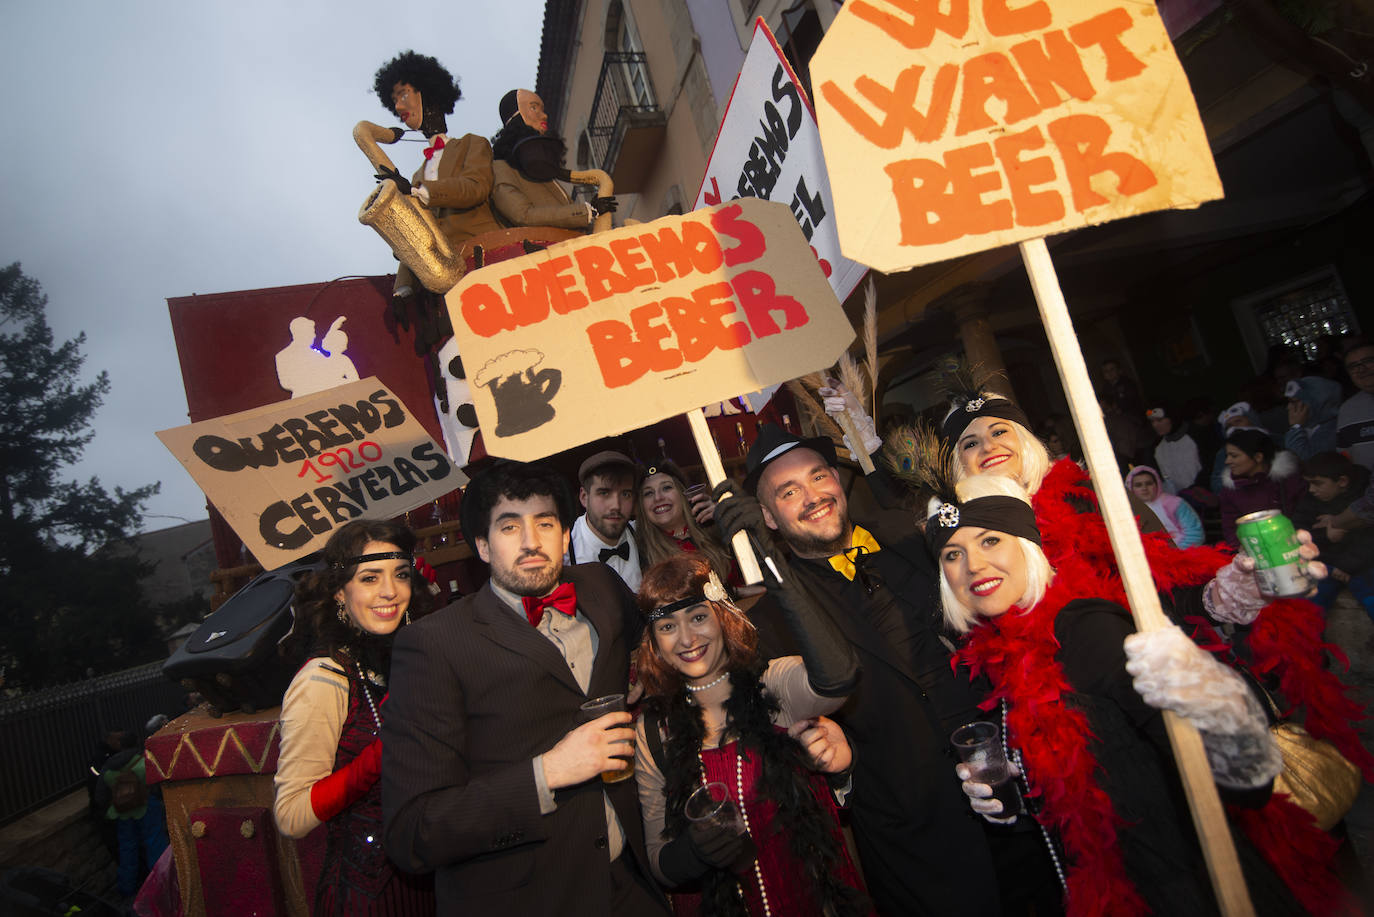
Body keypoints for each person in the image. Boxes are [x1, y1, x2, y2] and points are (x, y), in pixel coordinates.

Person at [934, 472, 1344, 916]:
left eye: (990, 541)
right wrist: (1018, 798)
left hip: (1190, 889)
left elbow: (1241, 784)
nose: (972, 564)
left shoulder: (1084, 628)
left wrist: (1222, 711)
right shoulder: (1004, 654)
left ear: (1029, 545)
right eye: (953, 554)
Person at [711, 424, 1042, 916]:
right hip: (915, 842)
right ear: (767, 518)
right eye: (788, 491)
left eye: (818, 476)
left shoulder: (922, 542)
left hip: (1018, 795)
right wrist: (834, 755)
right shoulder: (772, 624)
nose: (812, 496)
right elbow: (786, 742)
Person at [381, 461, 669, 915]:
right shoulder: (434, 645)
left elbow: (650, 642)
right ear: (482, 545)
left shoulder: (601, 587)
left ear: (565, 534)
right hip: (528, 898)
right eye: (510, 526)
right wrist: (548, 772)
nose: (532, 542)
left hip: (631, 883)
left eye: (545, 523)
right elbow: (413, 832)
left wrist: (643, 669)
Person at [633, 554, 869, 916]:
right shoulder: (652, 730)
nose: (686, 638)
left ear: (722, 617)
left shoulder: (772, 684)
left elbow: (838, 680)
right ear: (654, 641)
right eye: (667, 626)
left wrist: (778, 571)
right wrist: (694, 852)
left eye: (698, 617)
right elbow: (658, 862)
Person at [273, 519, 434, 915]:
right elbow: (291, 816)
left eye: (400, 574)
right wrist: (378, 757)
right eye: (369, 577)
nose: (389, 591)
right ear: (340, 593)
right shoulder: (323, 679)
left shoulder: (411, 661)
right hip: (370, 899)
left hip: (437, 885)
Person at [490, 89, 616, 231]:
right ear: (516, 116)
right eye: (534, 107)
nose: (544, 115)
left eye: (542, 109)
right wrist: (588, 211)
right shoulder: (500, 167)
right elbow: (522, 215)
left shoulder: (537, 168)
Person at [1292, 451, 1374, 617]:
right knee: (1310, 601)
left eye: (1318, 484)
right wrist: (1326, 534)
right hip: (1326, 564)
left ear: (1342, 481)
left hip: (1359, 565)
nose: (1312, 489)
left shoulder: (1362, 500)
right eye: (1309, 484)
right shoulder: (1309, 500)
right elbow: (1297, 533)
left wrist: (1345, 565)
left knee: (1367, 591)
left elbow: (1368, 541)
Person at [97, 729, 170, 899]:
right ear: (137, 742)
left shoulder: (109, 766)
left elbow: (101, 793)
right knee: (154, 844)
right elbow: (158, 785)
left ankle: (126, 888)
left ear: (121, 745)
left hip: (122, 812)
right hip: (146, 807)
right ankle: (160, 885)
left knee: (127, 849)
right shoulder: (145, 760)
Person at [637, 461, 735, 588]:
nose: (658, 498)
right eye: (648, 493)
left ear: (683, 493)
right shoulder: (642, 553)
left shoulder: (714, 528)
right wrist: (736, 592)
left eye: (666, 488)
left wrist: (726, 517)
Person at [567, 450, 643, 591]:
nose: (616, 505)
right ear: (584, 497)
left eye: (625, 494)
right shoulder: (563, 549)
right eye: (604, 493)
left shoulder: (643, 535)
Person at [1219, 428, 1304, 546]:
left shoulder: (1287, 480)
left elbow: (1302, 515)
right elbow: (1231, 528)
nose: (1227, 461)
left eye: (1234, 456)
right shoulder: (1230, 490)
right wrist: (1244, 548)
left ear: (1258, 457)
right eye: (1227, 455)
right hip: (1254, 551)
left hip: (1296, 544)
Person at [1125, 465, 1205, 548]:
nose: (1144, 488)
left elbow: (1195, 534)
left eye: (1149, 483)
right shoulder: (1125, 510)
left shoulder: (1174, 503)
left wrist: (1176, 553)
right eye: (1138, 485)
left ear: (1157, 484)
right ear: (1131, 488)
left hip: (1179, 552)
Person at [1146, 404, 1205, 495]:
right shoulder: (1156, 448)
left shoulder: (1197, 436)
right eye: (1152, 421)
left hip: (1204, 495)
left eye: (1160, 420)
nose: (1155, 425)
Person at [1282, 375, 1343, 459]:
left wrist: (1296, 427)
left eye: (1294, 402)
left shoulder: (1334, 428)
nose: (1288, 407)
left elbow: (1305, 459)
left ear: (1317, 402)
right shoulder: (1307, 426)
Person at [1337, 337, 1374, 470]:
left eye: (1368, 361)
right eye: (1353, 366)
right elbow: (1345, 458)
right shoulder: (1347, 410)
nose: (1361, 369)